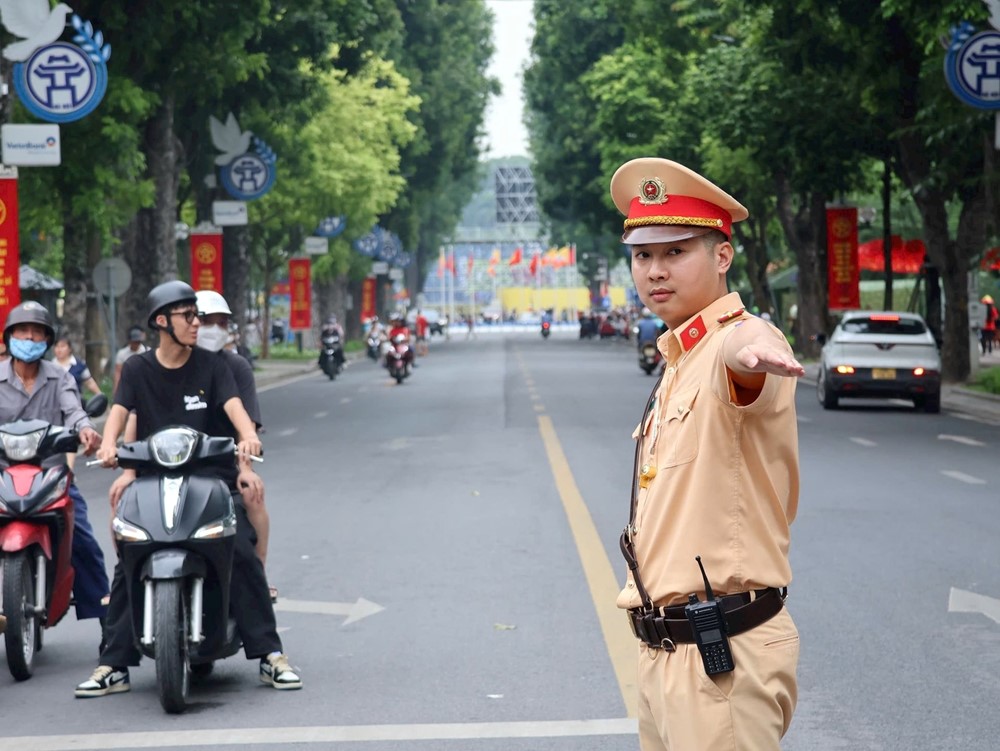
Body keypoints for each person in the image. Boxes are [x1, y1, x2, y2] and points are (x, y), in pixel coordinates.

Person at [610, 157, 804, 751]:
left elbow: (749, 344)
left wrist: (752, 348)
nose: (655, 270)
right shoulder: (677, 359)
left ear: (722, 257)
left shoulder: (730, 342)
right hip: (666, 655)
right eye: (643, 255)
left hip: (720, 658)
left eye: (676, 252)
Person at [75, 281, 301, 698]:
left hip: (211, 478)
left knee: (240, 550)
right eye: (189, 316)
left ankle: (270, 655)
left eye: (198, 316)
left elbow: (237, 413)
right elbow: (121, 411)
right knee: (130, 554)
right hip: (153, 478)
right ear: (162, 322)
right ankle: (113, 662)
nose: (197, 324)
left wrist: (248, 437)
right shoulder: (139, 369)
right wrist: (110, 447)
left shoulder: (213, 367)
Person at [0, 302, 109, 637]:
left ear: (47, 340)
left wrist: (86, 429)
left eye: (37, 332)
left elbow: (74, 411)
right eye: (22, 331)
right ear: (9, 337)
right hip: (3, 476)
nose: (29, 337)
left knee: (84, 541)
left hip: (49, 476)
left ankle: (110, 624)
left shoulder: (60, 377)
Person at [195, 290, 275, 601]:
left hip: (224, 462)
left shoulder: (235, 367)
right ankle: (126, 580)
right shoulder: (164, 366)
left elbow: (248, 427)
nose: (213, 329)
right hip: (173, 463)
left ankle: (258, 576)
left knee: (253, 495)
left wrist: (245, 466)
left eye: (221, 323)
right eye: (205, 321)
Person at [112, 326, 148, 393]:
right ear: (130, 341)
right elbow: (118, 372)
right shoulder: (122, 354)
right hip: (128, 383)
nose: (136, 344)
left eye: (138, 342)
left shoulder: (147, 351)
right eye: (134, 342)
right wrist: (116, 390)